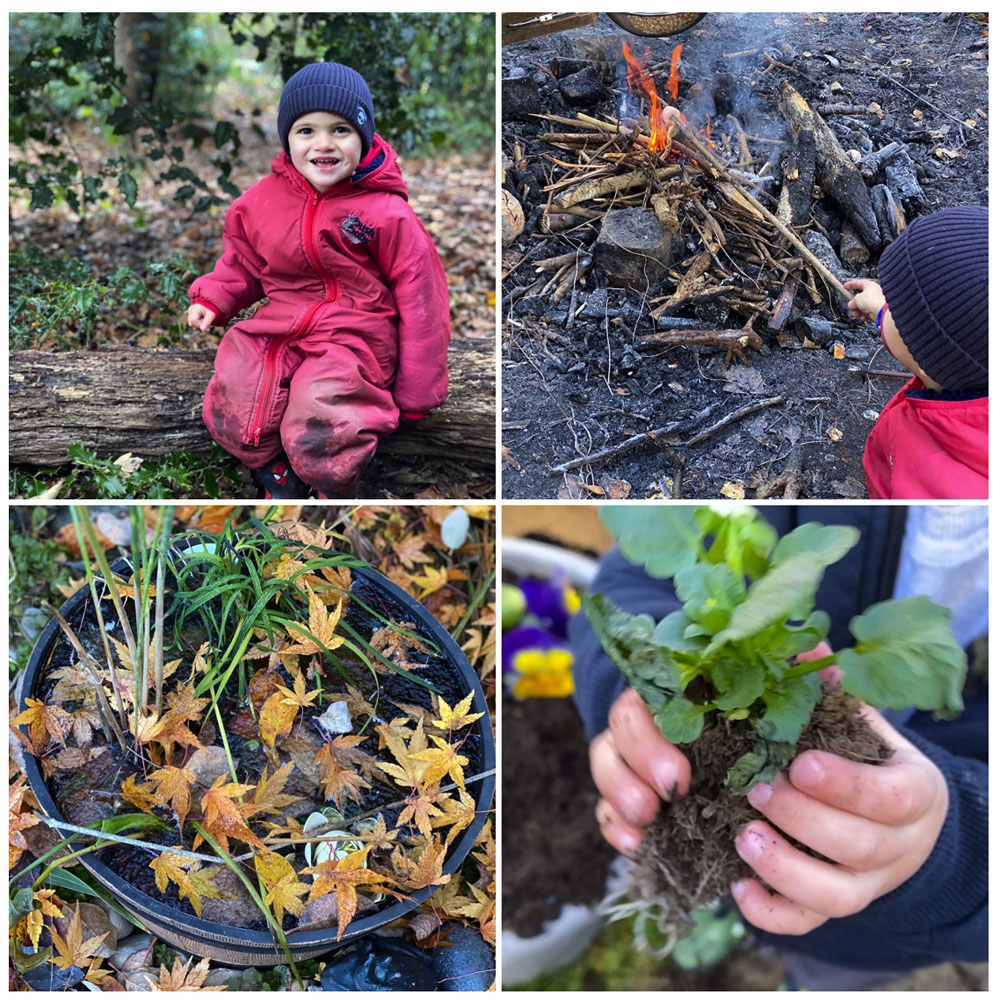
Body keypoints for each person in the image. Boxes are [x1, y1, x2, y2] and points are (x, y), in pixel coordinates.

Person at [568, 506, 987, 989]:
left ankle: (798, 977)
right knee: (729, 880)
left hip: (877, 932)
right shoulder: (765, 514)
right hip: (699, 819)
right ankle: (718, 920)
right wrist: (643, 695)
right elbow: (624, 588)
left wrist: (952, 849)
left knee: (825, 972)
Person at [187, 62, 450, 499]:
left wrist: (418, 391)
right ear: (287, 138)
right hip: (279, 324)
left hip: (355, 335)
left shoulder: (385, 213)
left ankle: (329, 481)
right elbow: (244, 262)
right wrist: (214, 298)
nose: (323, 144)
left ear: (363, 138)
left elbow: (423, 302)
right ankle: (272, 467)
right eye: (306, 131)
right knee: (235, 393)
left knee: (323, 414)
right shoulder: (261, 202)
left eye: (341, 130)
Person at [844, 204, 987, 500]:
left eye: (898, 311)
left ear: (929, 362)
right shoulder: (967, 368)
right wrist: (882, 312)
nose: (890, 309)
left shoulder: (946, 495)